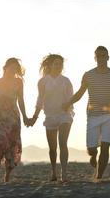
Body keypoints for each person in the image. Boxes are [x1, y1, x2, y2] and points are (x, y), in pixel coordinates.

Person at [62, 46, 110, 181]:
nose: (101, 58)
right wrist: (68, 103)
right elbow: (80, 93)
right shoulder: (88, 75)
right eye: (98, 56)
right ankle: (93, 155)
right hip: (93, 115)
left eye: (103, 56)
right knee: (92, 148)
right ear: (95, 58)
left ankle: (99, 176)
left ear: (108, 57)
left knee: (105, 146)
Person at [29, 54, 74, 183]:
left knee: (62, 143)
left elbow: (71, 98)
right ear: (50, 65)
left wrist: (68, 106)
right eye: (56, 64)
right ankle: (54, 171)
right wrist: (35, 117)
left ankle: (64, 173)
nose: (58, 66)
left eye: (60, 64)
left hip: (64, 115)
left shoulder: (66, 81)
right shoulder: (43, 82)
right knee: (52, 148)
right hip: (50, 116)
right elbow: (40, 100)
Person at [0, 58, 29, 182]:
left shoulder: (18, 82)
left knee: (12, 145)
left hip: (13, 117)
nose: (12, 70)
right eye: (10, 67)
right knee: (1, 139)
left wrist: (25, 116)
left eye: (15, 69)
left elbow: (21, 100)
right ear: (5, 67)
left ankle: (7, 174)